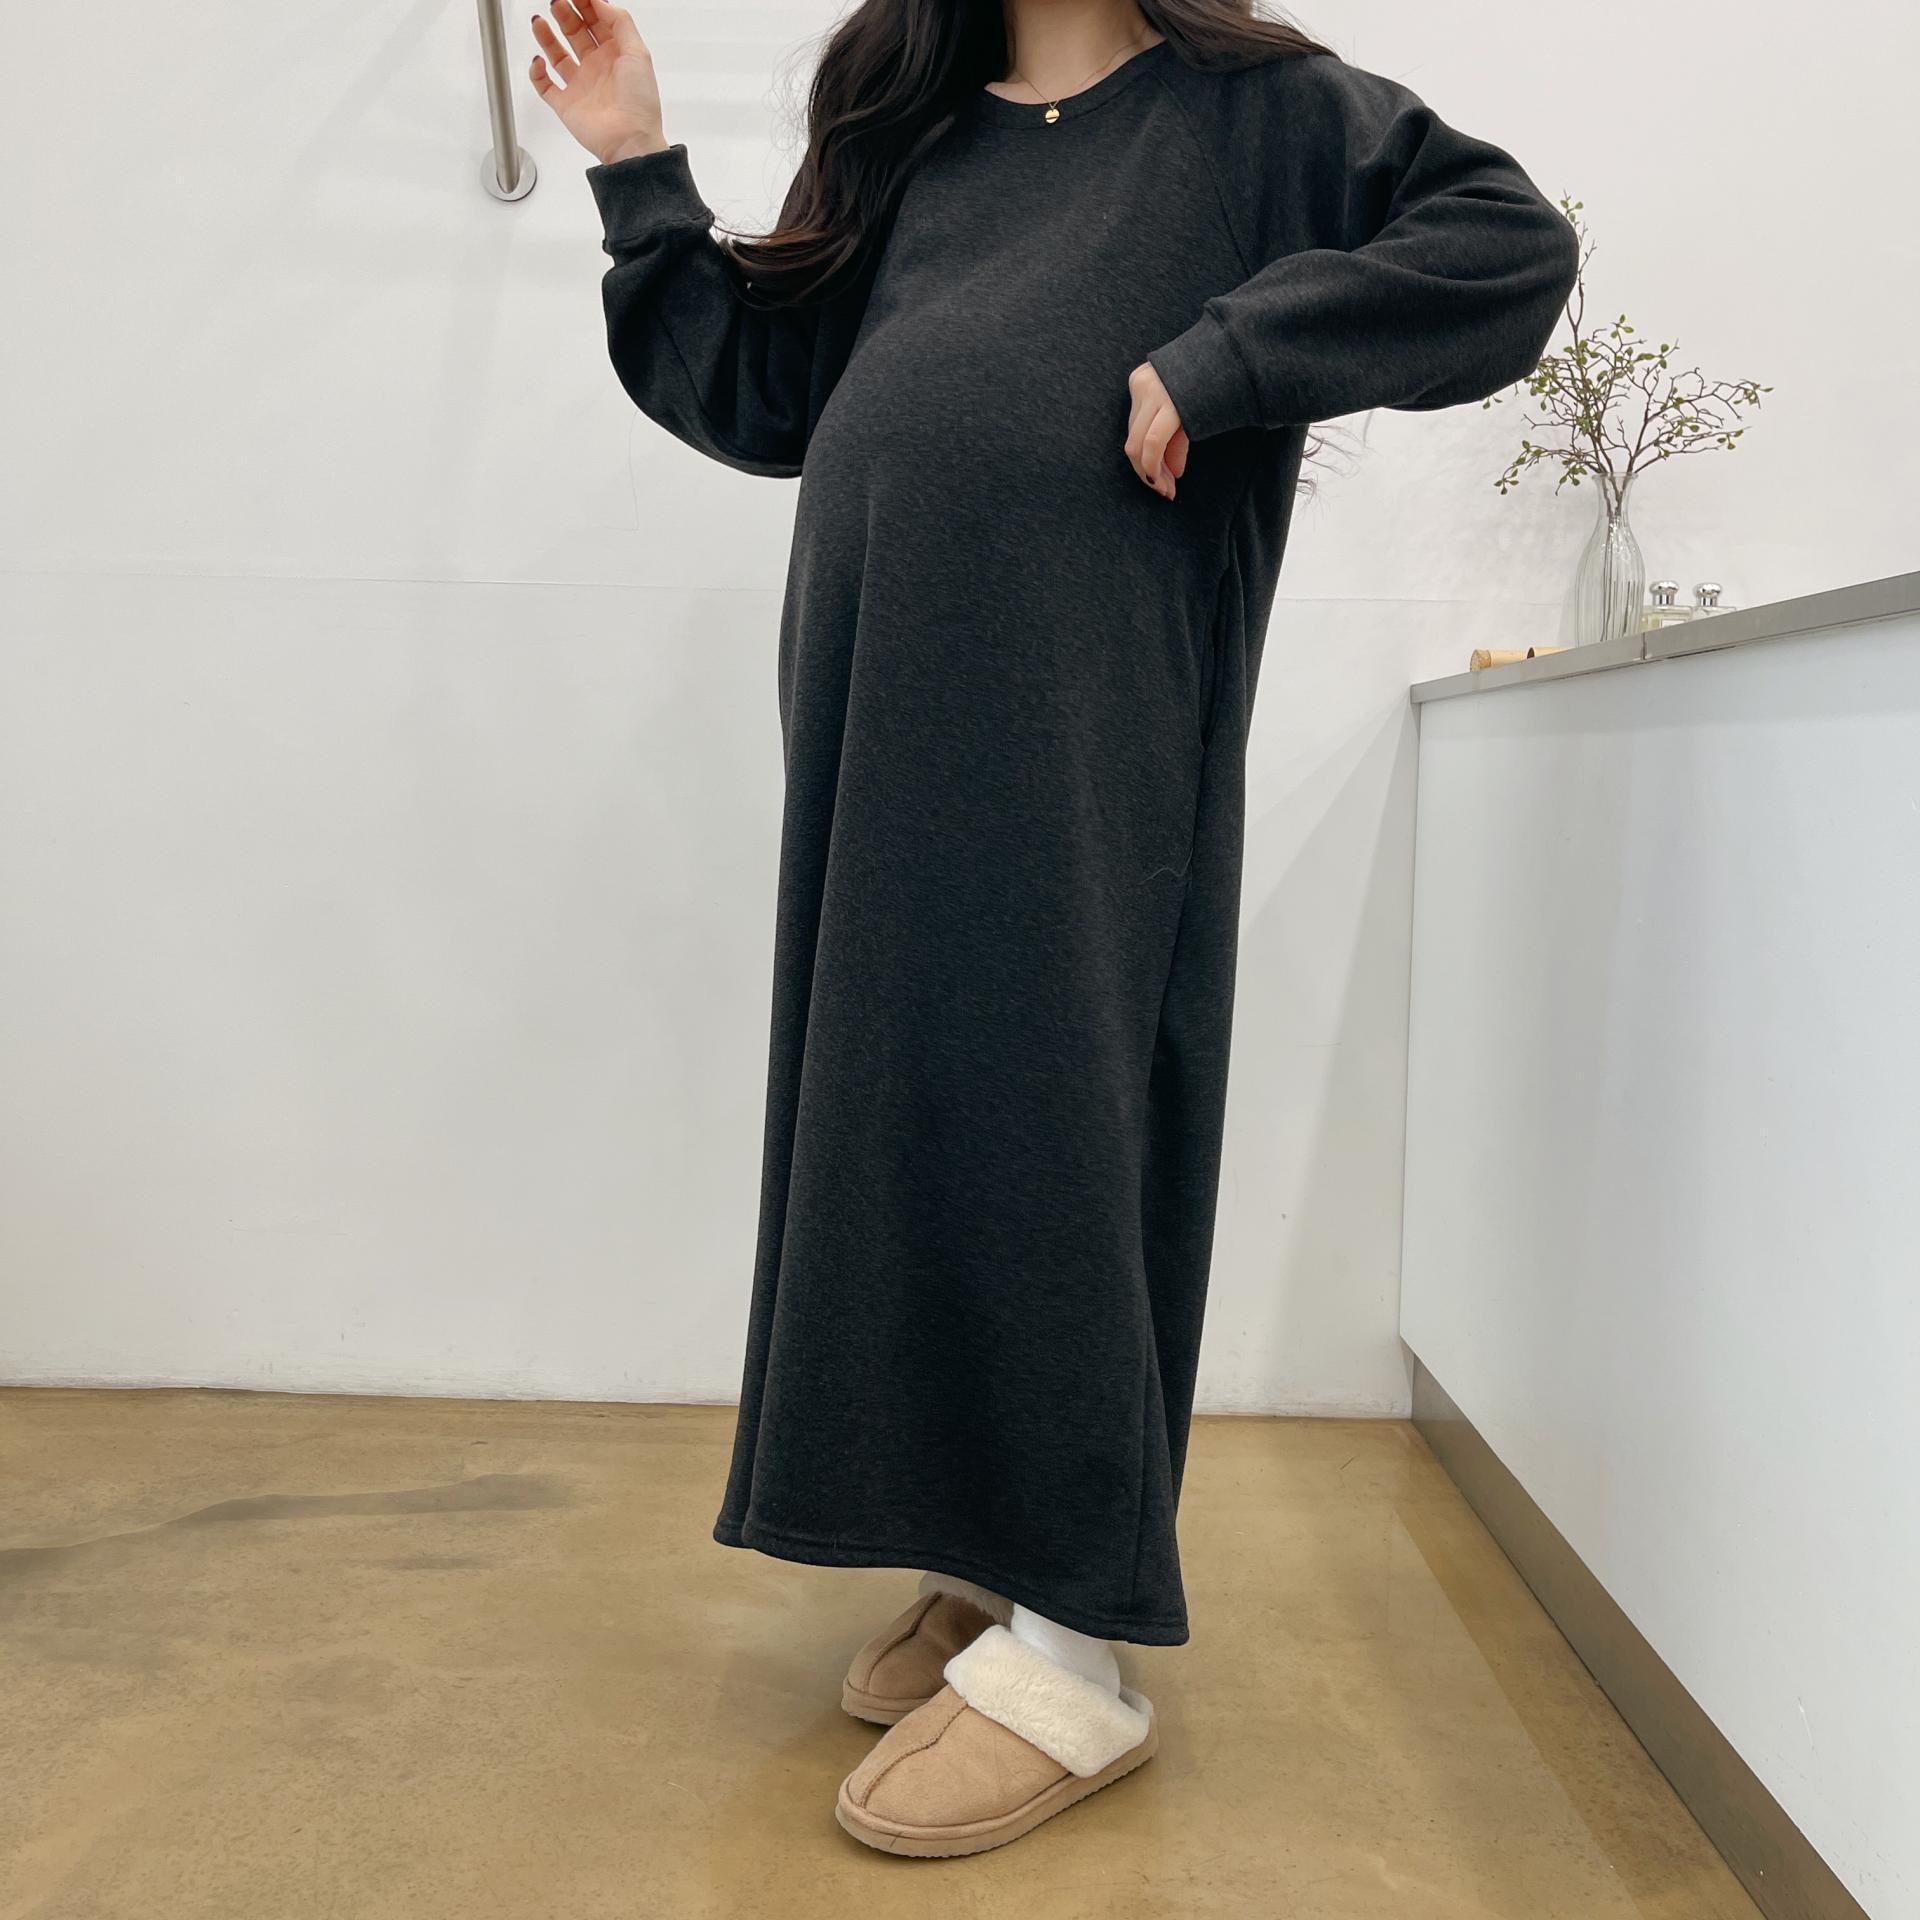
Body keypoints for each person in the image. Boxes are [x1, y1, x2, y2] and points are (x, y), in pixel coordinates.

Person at [530, 0, 1577, 1857]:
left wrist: (1238, 350)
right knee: (917, 1109)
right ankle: (991, 1549)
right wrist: (636, 167)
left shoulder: (1265, 116)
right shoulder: (913, 124)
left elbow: (1508, 249)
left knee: (1060, 1119)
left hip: (1088, 720)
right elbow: (766, 397)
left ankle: (1079, 1650)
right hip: (880, 714)